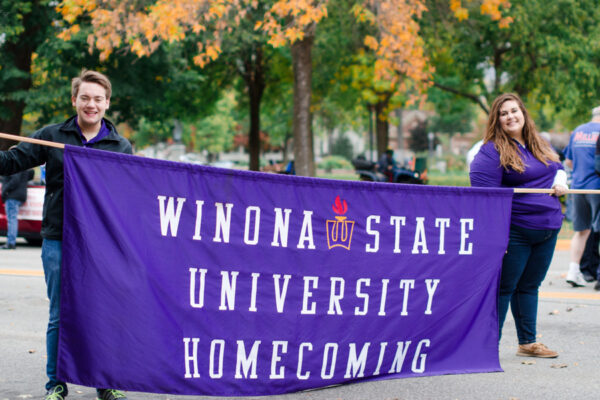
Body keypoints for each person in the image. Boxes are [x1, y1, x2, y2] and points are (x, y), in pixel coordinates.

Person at [0, 70, 132, 400]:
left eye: (98, 99)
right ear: (74, 100)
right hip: (59, 239)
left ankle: (107, 383)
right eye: (85, 97)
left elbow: (134, 195)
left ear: (107, 103)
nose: (91, 104)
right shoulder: (52, 136)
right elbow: (12, 161)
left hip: (102, 245)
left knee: (103, 314)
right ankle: (55, 384)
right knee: (60, 315)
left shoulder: (120, 146)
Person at [470, 93, 567, 358]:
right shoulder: (492, 151)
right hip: (515, 231)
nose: (511, 116)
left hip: (548, 228)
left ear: (523, 113)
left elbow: (557, 167)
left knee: (529, 286)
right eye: (504, 113)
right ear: (497, 120)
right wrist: (492, 236)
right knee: (504, 287)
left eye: (514, 111)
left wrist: (561, 182)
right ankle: (486, 347)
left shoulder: (539, 142)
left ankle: (528, 342)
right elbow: (483, 197)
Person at [562, 106, 600, 287]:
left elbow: (568, 161)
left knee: (581, 231)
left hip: (577, 187)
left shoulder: (578, 131)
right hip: (596, 188)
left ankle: (573, 271)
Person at [0, 159, 33, 249]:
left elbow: (15, 180)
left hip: (12, 195)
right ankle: (11, 241)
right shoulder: (24, 166)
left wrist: (5, 191)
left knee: (11, 219)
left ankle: (11, 243)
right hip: (20, 195)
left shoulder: (15, 167)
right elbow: (31, 175)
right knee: (13, 219)